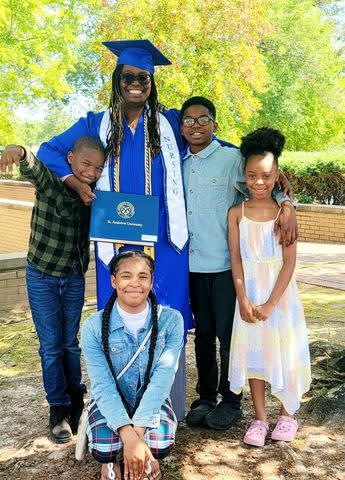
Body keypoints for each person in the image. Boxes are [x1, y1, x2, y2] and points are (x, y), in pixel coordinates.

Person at [34, 39, 193, 420]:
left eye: (143, 77)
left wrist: (277, 187)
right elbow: (49, 150)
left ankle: (166, 408)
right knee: (119, 317)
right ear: (116, 80)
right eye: (127, 77)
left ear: (152, 84)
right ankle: (119, 408)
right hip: (116, 242)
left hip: (166, 243)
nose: (135, 83)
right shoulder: (95, 123)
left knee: (166, 315)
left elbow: (215, 146)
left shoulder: (169, 123)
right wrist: (75, 181)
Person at [181, 97, 298, 430]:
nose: (196, 126)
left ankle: (231, 400)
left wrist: (286, 204)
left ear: (215, 124)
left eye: (203, 119)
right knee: (202, 334)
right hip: (192, 263)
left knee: (228, 335)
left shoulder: (232, 158)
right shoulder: (178, 163)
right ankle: (205, 397)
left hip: (226, 265)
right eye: (188, 121)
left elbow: (267, 177)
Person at [0, 137, 105, 443]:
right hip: (42, 277)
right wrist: (16, 151)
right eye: (86, 164)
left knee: (70, 344)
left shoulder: (97, 195)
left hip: (73, 278)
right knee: (50, 346)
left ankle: (76, 400)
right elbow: (31, 165)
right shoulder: (52, 184)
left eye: (97, 167)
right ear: (70, 159)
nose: (91, 172)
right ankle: (58, 408)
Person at [228, 127, 311, 447]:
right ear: (244, 176)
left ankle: (288, 414)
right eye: (252, 176)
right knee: (255, 354)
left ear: (278, 175)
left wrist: (271, 303)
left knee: (285, 351)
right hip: (248, 294)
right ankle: (260, 418)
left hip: (280, 297)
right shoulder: (236, 213)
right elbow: (235, 258)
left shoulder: (284, 215)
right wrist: (243, 298)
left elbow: (289, 263)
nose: (258, 182)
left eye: (265, 175)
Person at [81, 250, 184, 480]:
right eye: (126, 276)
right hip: (111, 399)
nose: (135, 283)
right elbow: (103, 384)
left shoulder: (172, 320)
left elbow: (162, 379)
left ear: (151, 281)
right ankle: (112, 461)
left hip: (149, 400)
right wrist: (128, 436)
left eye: (143, 276)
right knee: (103, 449)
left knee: (160, 444)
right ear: (114, 281)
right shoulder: (93, 327)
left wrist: (136, 434)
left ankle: (144, 453)